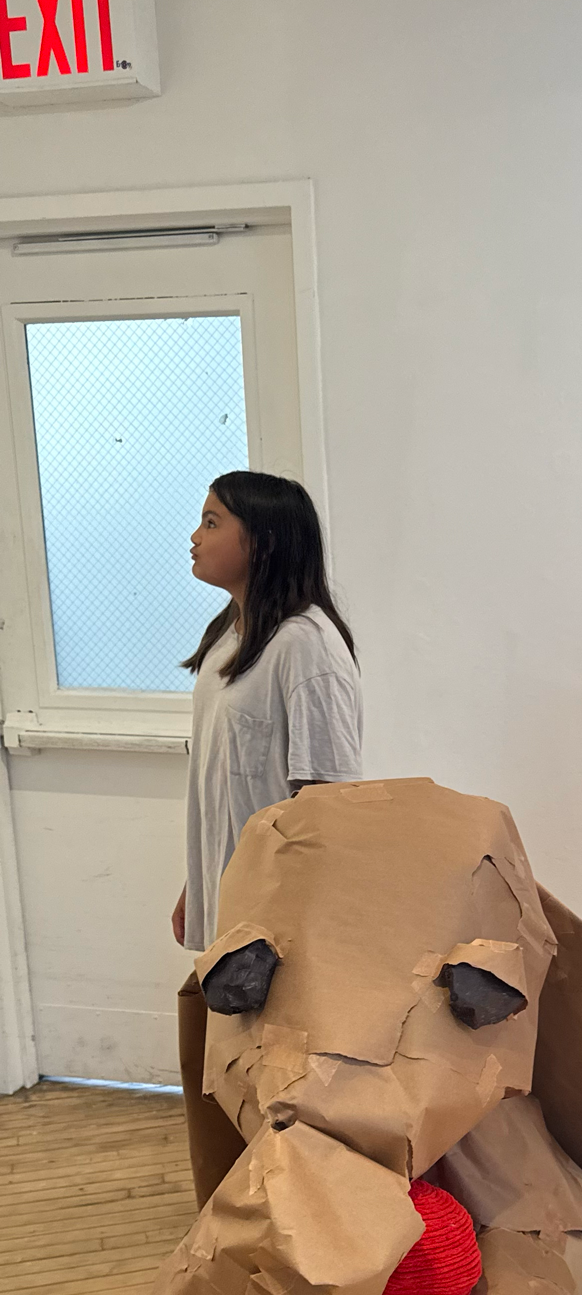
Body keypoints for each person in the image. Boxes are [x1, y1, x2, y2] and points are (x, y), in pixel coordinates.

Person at [171, 470, 363, 1205]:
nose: (195, 537)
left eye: (212, 521)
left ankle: (297, 1221)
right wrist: (197, 883)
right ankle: (250, 1215)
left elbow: (329, 803)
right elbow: (223, 785)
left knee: (281, 1085)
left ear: (265, 540)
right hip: (232, 902)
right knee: (238, 1079)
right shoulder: (232, 635)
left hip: (278, 921)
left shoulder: (306, 646)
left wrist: (290, 922)